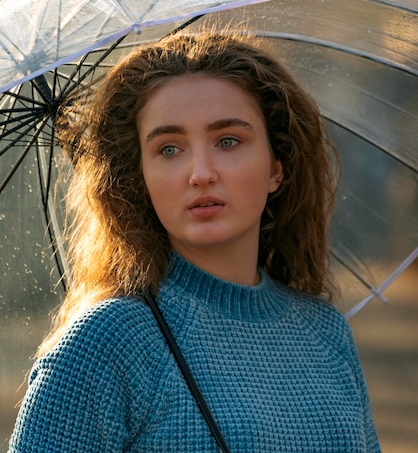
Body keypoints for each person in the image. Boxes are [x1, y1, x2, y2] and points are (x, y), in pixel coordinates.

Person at [8, 29, 381, 452]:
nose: (201, 172)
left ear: (277, 166)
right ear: (140, 178)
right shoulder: (106, 341)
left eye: (227, 141)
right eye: (169, 149)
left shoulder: (326, 333)